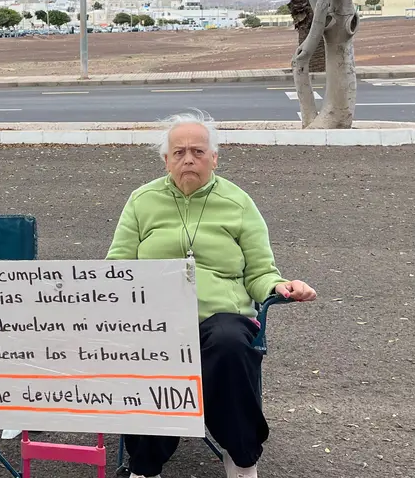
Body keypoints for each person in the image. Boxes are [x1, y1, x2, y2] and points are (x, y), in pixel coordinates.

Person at [106, 109, 317, 478]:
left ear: (214, 157)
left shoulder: (237, 203)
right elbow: (117, 266)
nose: (189, 159)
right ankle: (145, 466)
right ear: (165, 159)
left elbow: (260, 271)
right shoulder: (142, 201)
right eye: (179, 152)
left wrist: (278, 286)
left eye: (198, 151)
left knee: (230, 343)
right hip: (156, 318)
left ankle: (240, 455)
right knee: (145, 350)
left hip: (221, 317)